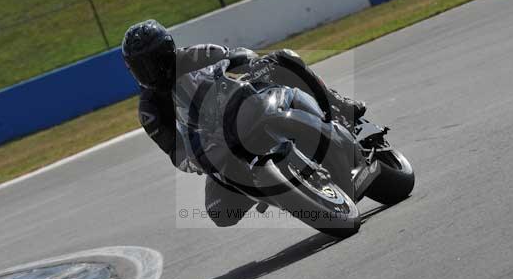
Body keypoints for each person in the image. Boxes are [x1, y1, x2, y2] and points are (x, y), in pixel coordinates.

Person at [122, 19, 366, 227]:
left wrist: (251, 65)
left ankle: (340, 105)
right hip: (216, 142)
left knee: (285, 58)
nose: (149, 71)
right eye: (140, 67)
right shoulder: (149, 110)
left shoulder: (195, 55)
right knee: (219, 211)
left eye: (153, 62)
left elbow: (236, 55)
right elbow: (174, 151)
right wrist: (191, 162)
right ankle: (273, 190)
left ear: (167, 50)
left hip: (246, 108)